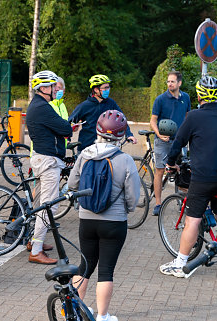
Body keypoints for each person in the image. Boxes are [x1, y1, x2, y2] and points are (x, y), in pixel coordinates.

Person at [68, 110, 140, 321]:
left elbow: (72, 184)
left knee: (85, 265)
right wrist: (126, 209)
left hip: (87, 219)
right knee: (106, 270)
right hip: (114, 222)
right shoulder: (125, 159)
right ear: (120, 135)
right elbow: (133, 196)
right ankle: (102, 316)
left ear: (98, 130)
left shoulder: (85, 153)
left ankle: (77, 312)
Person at [159, 75, 217, 278]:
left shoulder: (193, 117)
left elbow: (179, 142)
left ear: (200, 95)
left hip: (202, 177)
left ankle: (181, 264)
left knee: (192, 220)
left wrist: (170, 162)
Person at [26, 70, 73, 264]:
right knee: (48, 207)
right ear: (44, 88)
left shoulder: (38, 105)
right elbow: (65, 128)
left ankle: (34, 241)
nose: (56, 89)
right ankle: (36, 251)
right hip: (47, 161)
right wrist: (66, 127)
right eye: (53, 86)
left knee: (41, 205)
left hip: (43, 158)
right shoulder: (42, 107)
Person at [150, 71, 191, 216]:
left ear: (179, 83)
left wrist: (187, 134)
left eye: (172, 81)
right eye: (168, 81)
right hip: (163, 141)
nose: (170, 84)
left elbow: (187, 117)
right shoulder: (160, 99)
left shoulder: (185, 98)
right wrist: (159, 134)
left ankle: (182, 202)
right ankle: (158, 204)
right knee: (160, 171)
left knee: (181, 170)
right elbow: (153, 120)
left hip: (179, 142)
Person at [68, 74, 137, 153]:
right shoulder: (84, 106)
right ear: (96, 90)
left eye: (108, 87)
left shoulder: (111, 103)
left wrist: (129, 135)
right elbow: (70, 122)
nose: (108, 90)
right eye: (105, 88)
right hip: (87, 147)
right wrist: (68, 139)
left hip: (106, 147)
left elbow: (122, 119)